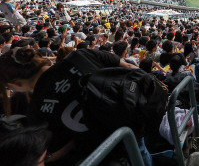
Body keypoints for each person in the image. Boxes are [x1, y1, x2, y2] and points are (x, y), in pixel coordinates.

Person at [0, 47, 142, 165]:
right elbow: (131, 68)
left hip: (106, 153)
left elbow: (56, 150)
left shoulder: (35, 110)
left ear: (16, 84)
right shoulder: (81, 55)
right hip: (136, 122)